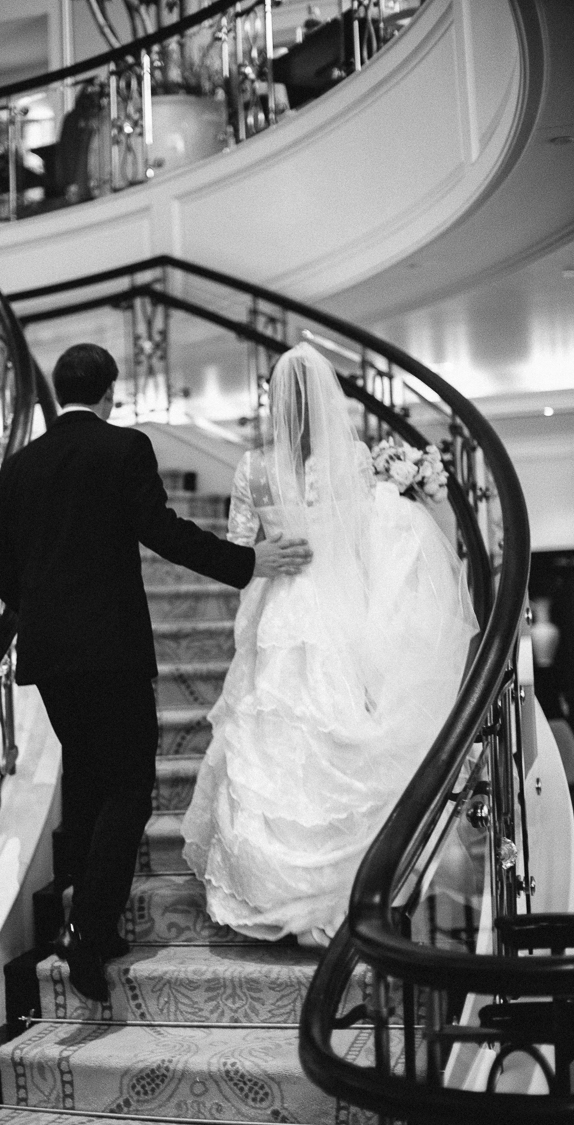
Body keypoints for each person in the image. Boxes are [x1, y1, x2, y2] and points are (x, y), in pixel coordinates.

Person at [0, 342, 312, 1001]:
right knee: (129, 785)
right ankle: (88, 933)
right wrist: (249, 563)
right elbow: (164, 532)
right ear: (109, 392)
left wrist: (36, 605)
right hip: (112, 649)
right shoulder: (122, 449)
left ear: (62, 389)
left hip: (49, 656)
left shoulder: (20, 463)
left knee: (90, 780)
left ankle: (86, 914)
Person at [182, 342, 479, 946]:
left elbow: (242, 548)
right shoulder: (356, 457)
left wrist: (268, 556)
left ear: (275, 401)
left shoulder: (253, 467)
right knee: (341, 722)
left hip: (282, 609)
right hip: (342, 607)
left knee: (273, 729)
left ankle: (274, 889)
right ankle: (348, 887)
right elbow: (367, 540)